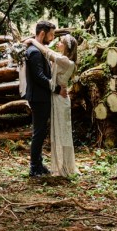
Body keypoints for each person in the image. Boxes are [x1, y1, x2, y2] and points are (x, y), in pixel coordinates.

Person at [25, 33, 80, 177]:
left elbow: (47, 52)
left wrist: (32, 40)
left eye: (60, 42)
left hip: (60, 100)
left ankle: (65, 166)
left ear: (67, 47)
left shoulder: (66, 61)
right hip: (55, 97)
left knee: (62, 132)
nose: (57, 43)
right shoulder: (63, 58)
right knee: (54, 132)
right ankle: (58, 164)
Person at [25, 20, 58, 177]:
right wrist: (55, 87)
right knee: (38, 132)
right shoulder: (35, 52)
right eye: (51, 35)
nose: (52, 38)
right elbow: (39, 77)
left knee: (41, 131)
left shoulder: (39, 50)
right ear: (43, 33)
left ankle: (38, 163)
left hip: (42, 97)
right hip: (38, 98)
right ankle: (34, 167)